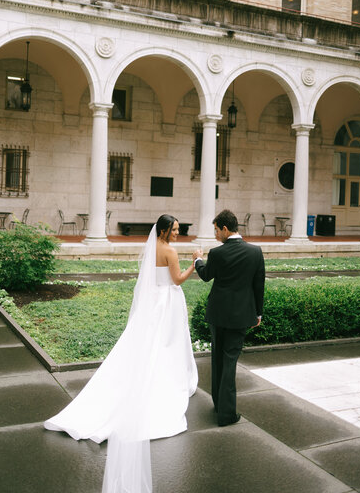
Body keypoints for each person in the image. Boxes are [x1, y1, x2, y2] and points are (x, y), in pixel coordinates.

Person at [44, 214, 198, 493]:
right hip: (167, 303)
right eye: (175, 229)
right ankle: (164, 381)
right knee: (166, 345)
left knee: (152, 345)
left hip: (152, 305)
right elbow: (177, 281)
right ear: (164, 231)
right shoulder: (170, 251)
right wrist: (195, 262)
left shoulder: (152, 248)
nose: (178, 233)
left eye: (179, 229)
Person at [193, 209, 264, 427]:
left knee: (218, 359)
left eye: (216, 230)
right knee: (230, 361)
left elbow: (206, 276)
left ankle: (219, 405)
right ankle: (227, 413)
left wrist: (198, 260)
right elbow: (258, 285)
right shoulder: (255, 252)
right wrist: (258, 313)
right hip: (241, 315)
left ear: (225, 229)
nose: (215, 234)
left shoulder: (216, 253)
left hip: (218, 314)